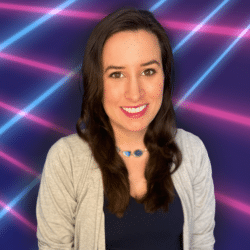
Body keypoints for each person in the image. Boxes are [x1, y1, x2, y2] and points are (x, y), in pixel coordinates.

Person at [36, 6, 216, 250]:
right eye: (117, 74)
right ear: (97, 82)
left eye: (148, 71)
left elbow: (202, 243)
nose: (135, 93)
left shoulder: (193, 152)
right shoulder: (66, 160)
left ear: (165, 76)